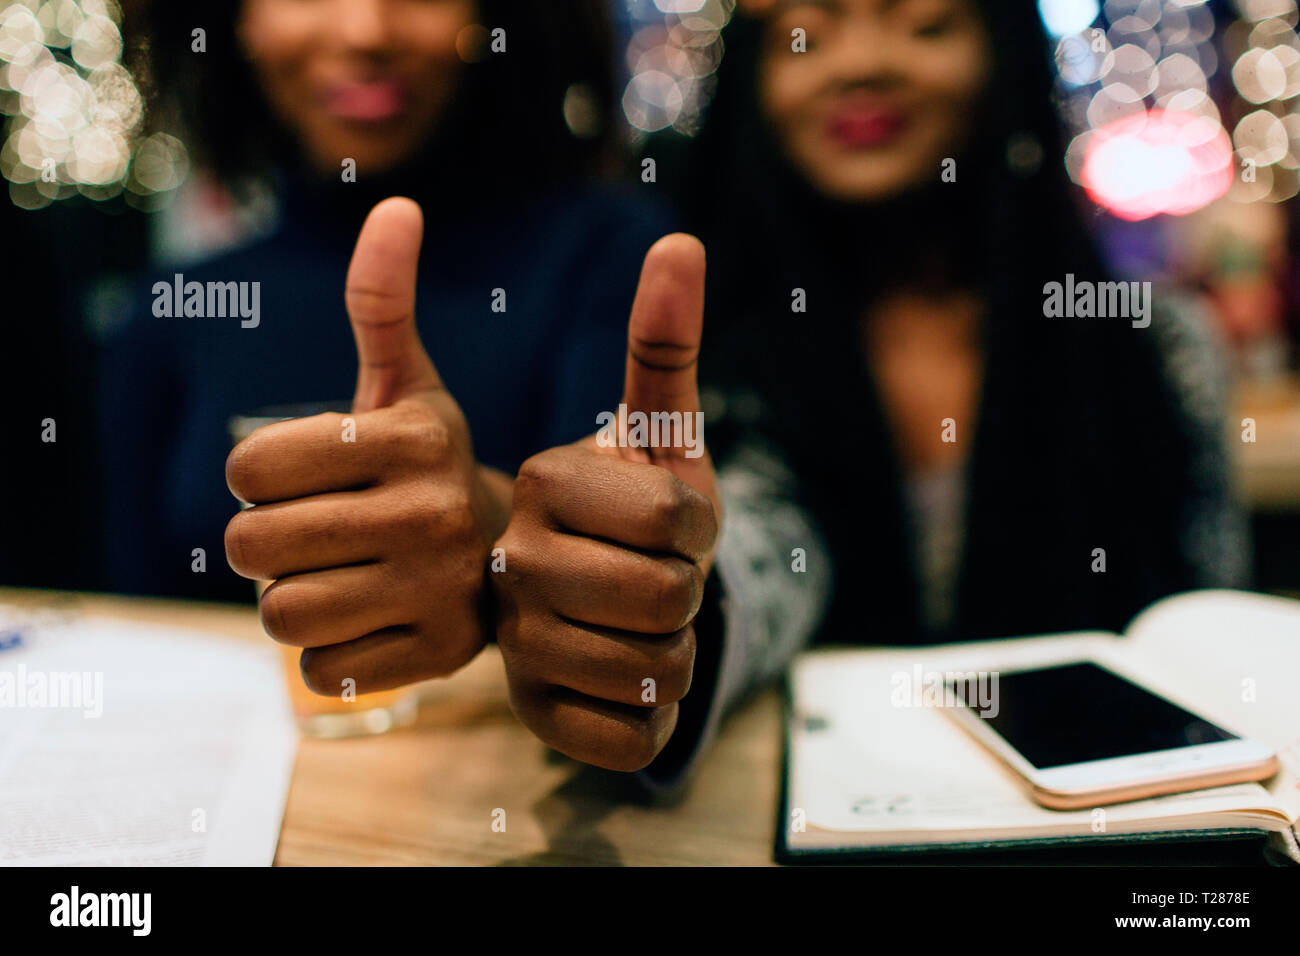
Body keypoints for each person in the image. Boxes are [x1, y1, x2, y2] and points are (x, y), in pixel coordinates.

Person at [485, 0, 1249, 785]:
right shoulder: (714, 351)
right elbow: (759, 547)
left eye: (925, 24)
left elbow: (1204, 631)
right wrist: (656, 613)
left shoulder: (1156, 343)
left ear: (1005, 58)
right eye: (805, 36)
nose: (860, 65)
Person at [100, 0, 674, 629]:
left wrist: (491, 528)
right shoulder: (172, 311)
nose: (365, 30)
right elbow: (126, 622)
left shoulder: (610, 258)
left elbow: (636, 561)